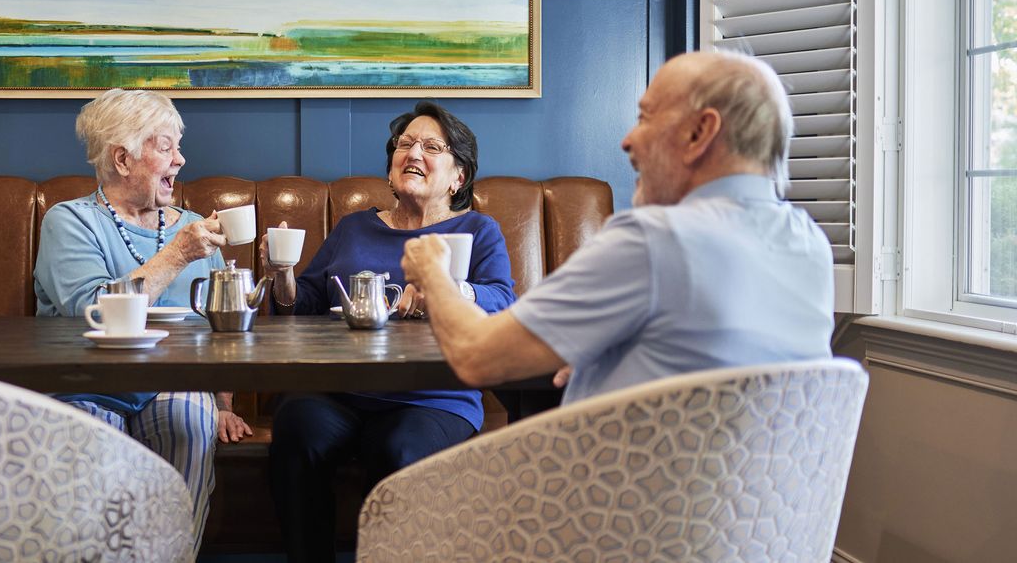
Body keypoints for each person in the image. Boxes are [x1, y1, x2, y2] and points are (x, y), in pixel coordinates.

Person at [402, 50, 834, 406]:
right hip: (754, 508)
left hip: (613, 506)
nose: (628, 139)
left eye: (646, 118)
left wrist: (433, 274)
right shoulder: (809, 245)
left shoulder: (653, 239)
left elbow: (477, 358)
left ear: (700, 132)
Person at [261, 100, 517, 563]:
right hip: (339, 391)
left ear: (459, 176)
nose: (413, 152)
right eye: (405, 144)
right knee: (296, 427)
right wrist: (282, 274)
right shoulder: (355, 228)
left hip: (434, 397)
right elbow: (305, 306)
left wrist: (447, 288)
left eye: (432, 146)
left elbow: (503, 300)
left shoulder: (478, 230)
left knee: (398, 450)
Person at [33, 88, 253, 559]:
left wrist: (224, 401)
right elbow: (91, 309)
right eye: (166, 146)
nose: (181, 158)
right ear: (123, 158)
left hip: (173, 382)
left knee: (192, 424)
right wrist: (177, 254)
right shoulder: (69, 221)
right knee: (87, 453)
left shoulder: (194, 226)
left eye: (178, 145)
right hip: (84, 382)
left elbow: (220, 323)